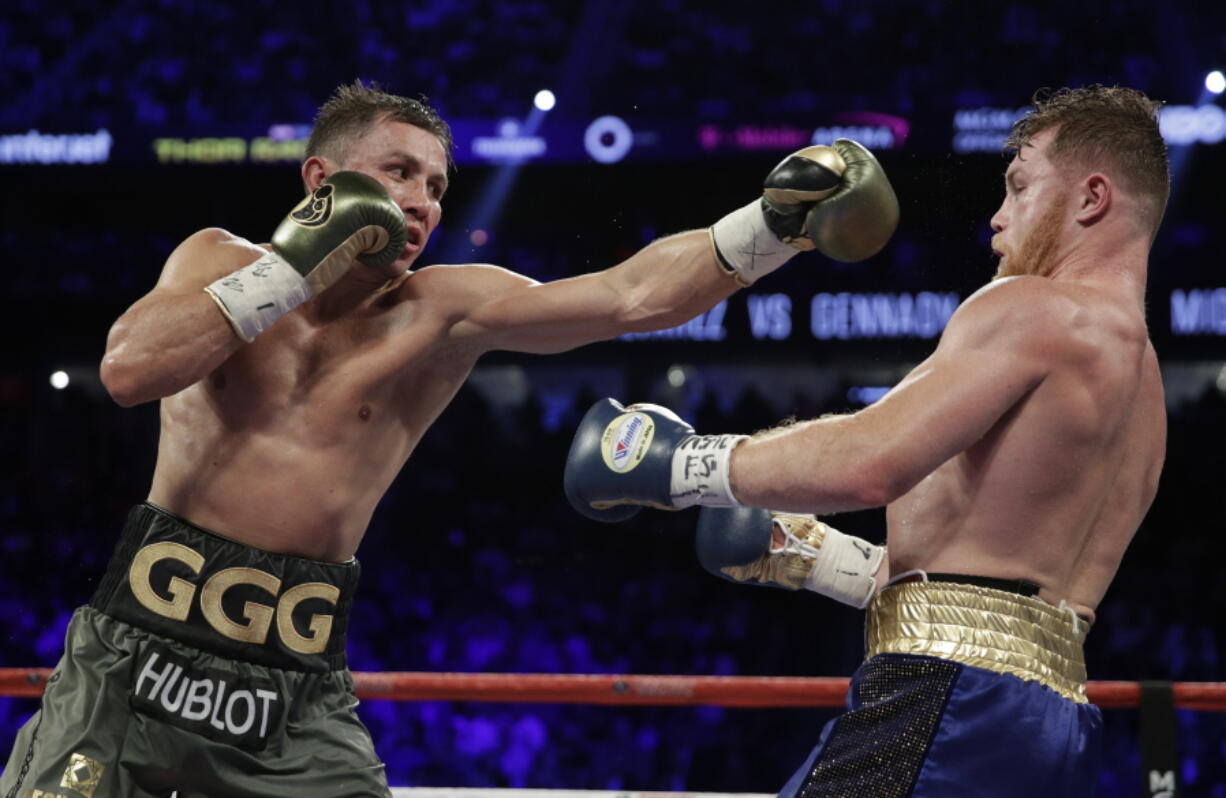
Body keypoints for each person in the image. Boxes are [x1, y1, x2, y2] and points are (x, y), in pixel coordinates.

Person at [0, 80, 896, 798]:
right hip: (131, 663)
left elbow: (628, 297)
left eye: (435, 185)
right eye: (397, 173)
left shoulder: (444, 313)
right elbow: (128, 371)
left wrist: (771, 224)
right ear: (322, 183)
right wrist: (291, 265)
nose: (422, 202)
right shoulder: (218, 260)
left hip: (291, 687)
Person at [565, 84, 1168, 796]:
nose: (998, 217)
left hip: (947, 700)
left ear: (1091, 198)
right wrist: (816, 558)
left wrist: (676, 465)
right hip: (1053, 720)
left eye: (1019, 186)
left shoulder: (1034, 309)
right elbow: (997, 596)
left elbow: (868, 463)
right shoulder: (1147, 395)